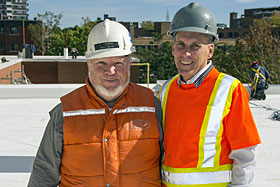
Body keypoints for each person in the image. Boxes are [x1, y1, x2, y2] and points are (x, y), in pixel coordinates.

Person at [28, 19, 163, 187]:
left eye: (118, 63)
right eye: (101, 63)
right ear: (88, 64)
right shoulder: (64, 112)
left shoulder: (152, 105)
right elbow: (43, 176)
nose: (110, 71)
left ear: (129, 63)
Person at [159, 2, 261, 187]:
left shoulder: (229, 89)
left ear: (210, 51)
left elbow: (245, 154)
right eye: (180, 45)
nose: (186, 53)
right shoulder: (166, 90)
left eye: (195, 46)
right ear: (173, 49)